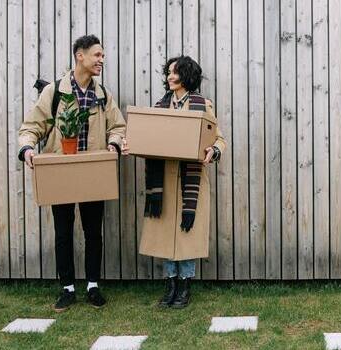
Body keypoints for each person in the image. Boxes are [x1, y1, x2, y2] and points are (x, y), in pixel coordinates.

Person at [17, 34, 127, 312]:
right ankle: (66, 288)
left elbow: (118, 126)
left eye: (102, 56)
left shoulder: (103, 95)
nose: (101, 60)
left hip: (92, 172)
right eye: (97, 55)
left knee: (93, 232)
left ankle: (92, 286)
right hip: (61, 173)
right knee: (63, 232)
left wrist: (114, 144)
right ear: (80, 56)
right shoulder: (54, 92)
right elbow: (32, 126)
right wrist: (28, 149)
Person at [138, 56, 227, 309]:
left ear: (186, 75)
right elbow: (149, 137)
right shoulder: (159, 106)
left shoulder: (202, 105)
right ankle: (171, 284)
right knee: (167, 233)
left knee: (186, 233)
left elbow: (218, 138)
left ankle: (185, 285)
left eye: (174, 72)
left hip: (191, 180)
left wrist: (213, 151)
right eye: (168, 72)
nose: (169, 77)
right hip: (164, 178)